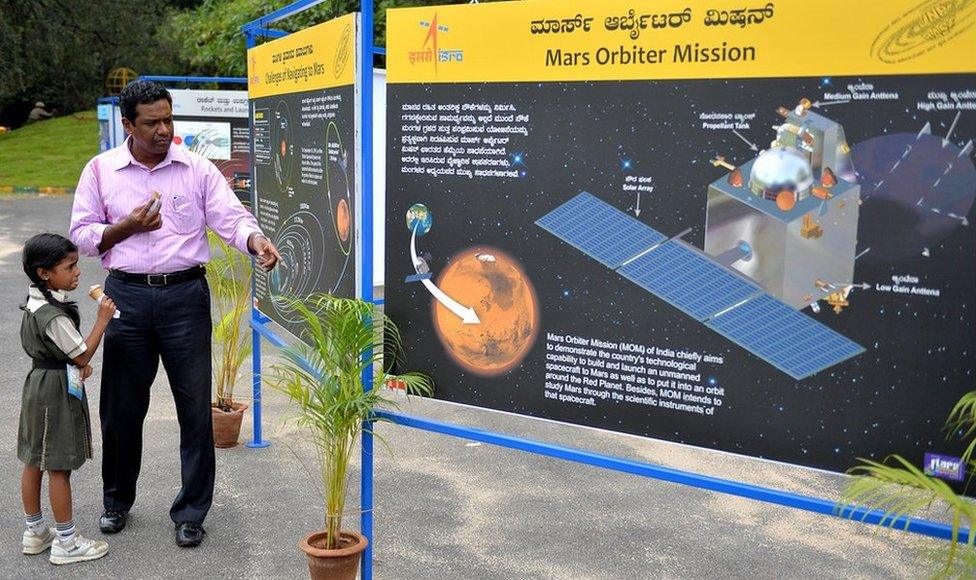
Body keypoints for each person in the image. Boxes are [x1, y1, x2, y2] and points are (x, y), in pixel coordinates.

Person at [69, 80, 280, 548]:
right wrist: (126, 227)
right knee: (121, 409)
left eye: (168, 119)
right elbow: (81, 236)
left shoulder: (195, 168)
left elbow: (231, 217)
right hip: (126, 298)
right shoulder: (102, 171)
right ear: (128, 125)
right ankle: (116, 501)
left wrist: (255, 240)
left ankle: (191, 511)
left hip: (185, 298)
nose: (164, 130)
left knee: (195, 410)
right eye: (152, 123)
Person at [18, 233, 116, 565]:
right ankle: (67, 541)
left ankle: (35, 531)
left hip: (38, 382)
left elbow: (62, 355)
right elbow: (82, 354)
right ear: (44, 272)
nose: (77, 272)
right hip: (54, 391)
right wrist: (102, 320)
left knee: (34, 458)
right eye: (69, 266)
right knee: (59, 465)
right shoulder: (54, 315)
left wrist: (70, 363)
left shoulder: (35, 302)